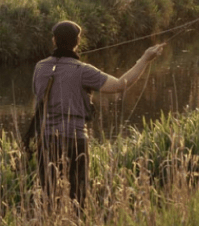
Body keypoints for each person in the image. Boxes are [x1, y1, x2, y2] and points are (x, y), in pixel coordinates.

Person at [31, 20, 164, 209]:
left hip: (46, 139)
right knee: (78, 197)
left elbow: (38, 98)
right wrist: (144, 59)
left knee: (48, 196)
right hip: (75, 140)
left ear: (54, 40)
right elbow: (120, 85)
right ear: (77, 42)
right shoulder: (83, 70)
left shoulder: (39, 67)